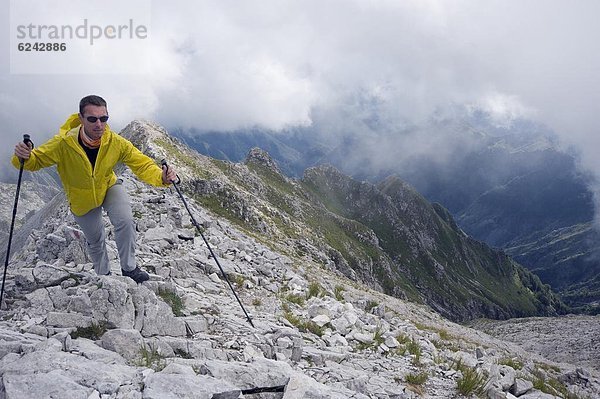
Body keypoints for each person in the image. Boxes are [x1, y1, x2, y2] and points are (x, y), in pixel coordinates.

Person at [12, 95, 177, 283]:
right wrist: (23, 156)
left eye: (104, 118)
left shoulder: (115, 142)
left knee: (126, 221)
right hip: (82, 199)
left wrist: (161, 177)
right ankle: (103, 275)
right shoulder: (63, 144)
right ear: (81, 119)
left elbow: (142, 164)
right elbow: (35, 161)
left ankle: (129, 269)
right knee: (95, 239)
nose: (99, 124)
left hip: (108, 186)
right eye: (92, 119)